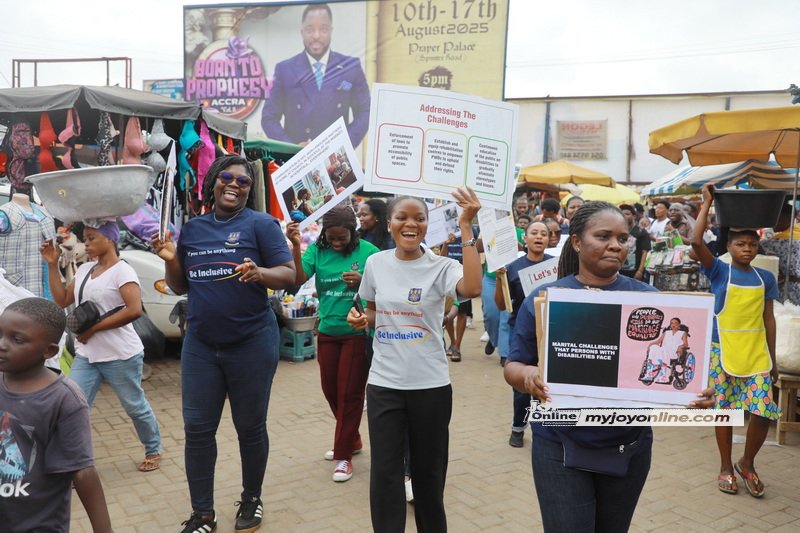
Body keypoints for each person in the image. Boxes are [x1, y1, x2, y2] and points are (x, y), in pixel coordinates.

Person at [504, 201, 716, 532]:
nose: (615, 245)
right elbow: (513, 366)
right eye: (603, 236)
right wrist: (529, 375)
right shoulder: (547, 298)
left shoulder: (650, 299)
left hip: (628, 445)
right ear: (576, 241)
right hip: (559, 445)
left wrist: (696, 394)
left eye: (622, 237)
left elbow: (665, 372)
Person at [151, 155, 296, 533]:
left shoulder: (261, 225)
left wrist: (259, 272)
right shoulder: (193, 229)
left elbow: (289, 274)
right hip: (201, 344)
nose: (234, 185)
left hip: (251, 342)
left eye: (243, 182)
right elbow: (182, 285)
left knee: (249, 427)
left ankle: (251, 498)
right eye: (226, 178)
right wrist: (169, 260)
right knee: (197, 430)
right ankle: (203, 514)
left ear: (250, 189)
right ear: (213, 182)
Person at [347, 188, 482, 533]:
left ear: (427, 224)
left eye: (419, 218)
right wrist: (363, 320)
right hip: (384, 385)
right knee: (385, 474)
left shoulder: (442, 266)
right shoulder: (376, 263)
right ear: (389, 223)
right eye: (402, 217)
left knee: (428, 474)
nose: (411, 224)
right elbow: (372, 311)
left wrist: (466, 227)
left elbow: (472, 288)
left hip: (431, 386)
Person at [41, 220, 164, 474]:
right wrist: (52, 265)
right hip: (87, 356)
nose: (85, 243)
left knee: (134, 405)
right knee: (72, 406)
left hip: (120, 354)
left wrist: (93, 330)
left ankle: (153, 448)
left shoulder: (123, 271)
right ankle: (73, 460)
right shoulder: (85, 269)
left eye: (91, 237)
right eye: (84, 238)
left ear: (110, 239)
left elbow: (134, 310)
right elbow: (62, 299)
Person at [692, 184, 780, 499]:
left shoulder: (765, 278)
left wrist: (773, 359)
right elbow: (695, 240)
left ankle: (748, 462)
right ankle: (726, 465)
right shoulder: (718, 272)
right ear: (728, 246)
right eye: (740, 244)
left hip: (756, 353)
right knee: (725, 410)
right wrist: (707, 203)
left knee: (763, 410)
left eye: (752, 244)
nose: (747, 249)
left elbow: (768, 319)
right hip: (722, 351)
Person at [0, 297, 113, 533]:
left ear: (48, 350)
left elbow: (81, 471)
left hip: (37, 524)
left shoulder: (63, 399)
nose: (2, 344)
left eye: (17, 339)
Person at [286, 205, 379, 483]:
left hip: (356, 331)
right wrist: (294, 244)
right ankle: (353, 439)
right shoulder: (318, 249)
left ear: (353, 232)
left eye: (343, 238)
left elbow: (385, 287)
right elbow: (298, 278)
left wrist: (363, 281)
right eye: (332, 237)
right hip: (326, 329)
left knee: (350, 394)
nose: (337, 243)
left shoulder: (370, 253)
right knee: (331, 390)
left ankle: (343, 457)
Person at [261, 3, 370, 147]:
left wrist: (343, 145)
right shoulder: (285, 69)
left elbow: (365, 112)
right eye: (310, 29)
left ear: (331, 31)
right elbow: (269, 118)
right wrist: (291, 148)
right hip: (297, 161)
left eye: (323, 29)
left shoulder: (351, 67)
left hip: (337, 160)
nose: (316, 36)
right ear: (302, 32)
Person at [494, 221, 553, 448]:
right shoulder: (512, 267)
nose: (539, 237)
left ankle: (544, 429)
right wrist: (500, 280)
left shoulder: (557, 266)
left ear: (549, 239)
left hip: (550, 331)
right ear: (525, 239)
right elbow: (502, 305)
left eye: (544, 234)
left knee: (546, 382)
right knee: (521, 385)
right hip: (522, 333)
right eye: (534, 233)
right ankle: (518, 427)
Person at [760, 202, 800, 305]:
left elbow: (758, 246)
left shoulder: (776, 242)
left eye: (777, 218)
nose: (773, 222)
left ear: (788, 218)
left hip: (790, 290)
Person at [619, 203, 651, 281]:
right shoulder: (619, 231)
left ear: (634, 216)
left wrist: (640, 271)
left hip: (634, 271)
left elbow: (645, 253)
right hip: (620, 271)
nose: (624, 216)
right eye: (622, 214)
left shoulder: (641, 232)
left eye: (627, 214)